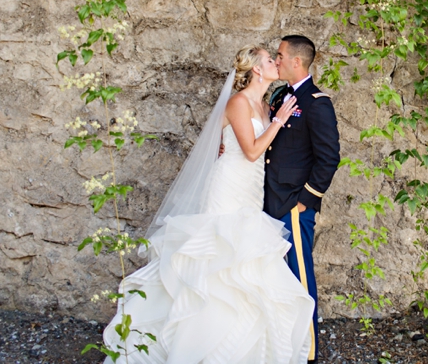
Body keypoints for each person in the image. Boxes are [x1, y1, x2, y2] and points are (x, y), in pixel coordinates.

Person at [103, 45, 315, 364]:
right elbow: (252, 151)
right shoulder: (239, 102)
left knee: (245, 260)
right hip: (229, 187)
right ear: (257, 69)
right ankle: (196, 340)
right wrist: (278, 122)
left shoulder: (265, 103)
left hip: (251, 189)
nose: (276, 63)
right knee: (219, 257)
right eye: (271, 60)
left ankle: (243, 347)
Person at [264, 35, 341, 363]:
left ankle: (308, 353)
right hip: (268, 199)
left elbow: (329, 158)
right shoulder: (280, 94)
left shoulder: (317, 102)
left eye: (280, 56)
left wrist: (305, 202)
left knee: (300, 279)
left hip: (293, 205)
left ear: (297, 61)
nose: (276, 60)